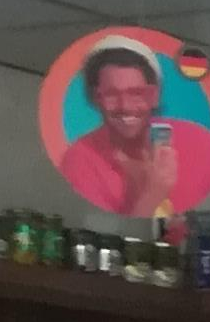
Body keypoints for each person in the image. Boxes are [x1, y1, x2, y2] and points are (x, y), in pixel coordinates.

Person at [59, 40, 181, 217]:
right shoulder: (80, 160)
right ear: (95, 98)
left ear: (154, 96)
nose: (125, 106)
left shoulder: (199, 143)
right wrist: (153, 193)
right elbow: (104, 230)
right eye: (111, 94)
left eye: (136, 93)